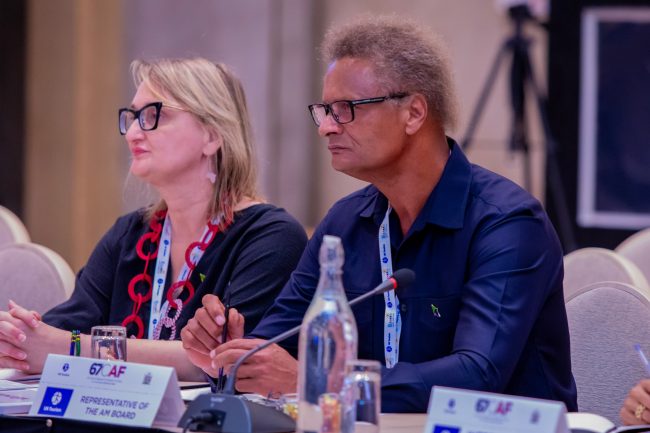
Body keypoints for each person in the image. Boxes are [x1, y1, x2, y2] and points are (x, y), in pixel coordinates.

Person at [181, 15, 578, 412]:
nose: (326, 128)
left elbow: (477, 375)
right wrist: (231, 353)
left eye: (345, 109)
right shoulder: (344, 224)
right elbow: (275, 348)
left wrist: (318, 384)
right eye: (324, 110)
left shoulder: (507, 223)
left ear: (414, 113)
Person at [0, 58, 307, 380]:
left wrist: (69, 347)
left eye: (152, 115)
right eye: (132, 117)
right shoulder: (129, 234)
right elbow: (60, 331)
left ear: (212, 135)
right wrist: (17, 338)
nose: (133, 133)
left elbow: (222, 361)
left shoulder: (272, 238)